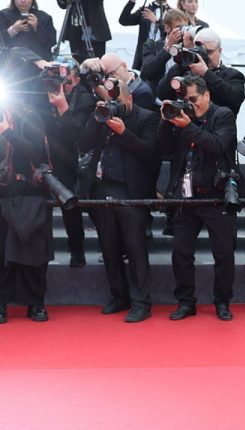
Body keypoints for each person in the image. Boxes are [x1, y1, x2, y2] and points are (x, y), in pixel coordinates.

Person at [78, 80, 159, 323]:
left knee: (135, 248)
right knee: (109, 247)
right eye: (111, 101)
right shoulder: (102, 114)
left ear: (130, 99)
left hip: (131, 191)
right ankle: (119, 296)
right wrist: (96, 119)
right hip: (102, 187)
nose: (114, 106)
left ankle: (141, 302)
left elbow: (151, 153)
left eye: (119, 102)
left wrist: (124, 133)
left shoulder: (147, 118)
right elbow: (83, 144)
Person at [158, 74, 237, 321]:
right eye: (186, 100)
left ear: (207, 95)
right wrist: (166, 122)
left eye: (194, 99)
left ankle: (222, 302)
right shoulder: (183, 118)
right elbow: (163, 150)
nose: (190, 105)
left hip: (216, 196)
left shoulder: (223, 115)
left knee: (223, 254)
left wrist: (187, 126)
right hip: (186, 197)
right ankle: (185, 302)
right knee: (181, 253)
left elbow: (217, 144)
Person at [0, 101, 53, 323]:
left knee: (34, 252)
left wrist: (8, 133)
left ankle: (36, 303)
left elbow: (35, 151)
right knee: (2, 253)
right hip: (3, 193)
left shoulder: (31, 117)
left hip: (31, 193)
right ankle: (1, 304)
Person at [43, 58, 95, 268]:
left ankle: (77, 250)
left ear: (75, 79)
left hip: (71, 158)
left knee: (70, 206)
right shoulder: (45, 91)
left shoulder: (85, 98)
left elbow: (77, 134)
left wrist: (62, 107)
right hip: (46, 155)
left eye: (64, 79)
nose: (60, 83)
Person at [156, 28, 245, 114]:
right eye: (201, 51)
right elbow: (162, 94)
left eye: (209, 52)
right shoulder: (186, 70)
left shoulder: (233, 75)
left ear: (219, 51)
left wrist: (206, 73)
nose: (205, 56)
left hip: (215, 123)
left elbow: (235, 99)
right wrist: (180, 65)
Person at [140, 8, 189, 94]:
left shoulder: (188, 46)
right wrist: (168, 48)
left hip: (182, 95)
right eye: (179, 27)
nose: (182, 31)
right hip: (158, 97)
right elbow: (147, 72)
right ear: (167, 28)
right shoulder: (152, 46)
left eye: (185, 27)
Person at [119, 0, 172, 71]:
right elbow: (124, 20)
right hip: (144, 54)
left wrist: (157, 22)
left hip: (163, 52)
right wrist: (131, 2)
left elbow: (172, 31)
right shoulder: (145, 10)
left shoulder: (172, 13)